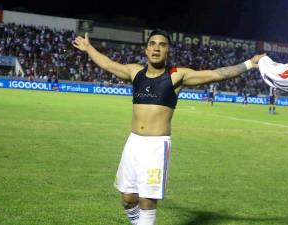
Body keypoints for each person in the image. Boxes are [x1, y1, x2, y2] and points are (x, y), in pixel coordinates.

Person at [72, 30, 265, 225]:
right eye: (153, 44)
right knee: (128, 198)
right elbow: (108, 64)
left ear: (168, 51)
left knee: (147, 200)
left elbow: (216, 74)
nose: (157, 47)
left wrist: (249, 64)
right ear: (146, 50)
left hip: (156, 145)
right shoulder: (134, 72)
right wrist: (88, 48)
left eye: (162, 45)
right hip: (133, 142)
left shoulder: (176, 76)